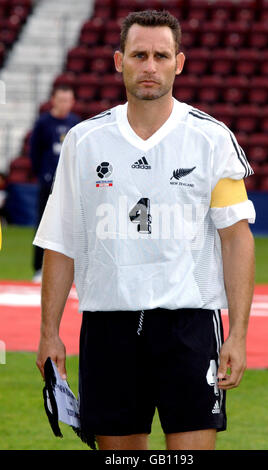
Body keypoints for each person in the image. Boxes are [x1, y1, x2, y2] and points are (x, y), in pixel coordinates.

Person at [34, 10, 256, 451]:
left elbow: (236, 238)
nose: (150, 65)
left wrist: (238, 334)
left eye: (161, 55)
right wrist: (48, 331)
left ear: (180, 62)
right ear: (119, 61)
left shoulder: (211, 139)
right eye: (139, 55)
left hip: (189, 325)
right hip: (107, 326)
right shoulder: (84, 141)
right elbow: (61, 242)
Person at [29, 84, 80, 282]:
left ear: (73, 102)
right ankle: (38, 269)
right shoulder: (43, 123)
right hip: (47, 182)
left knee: (70, 225)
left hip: (68, 183)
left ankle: (71, 269)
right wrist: (42, 174)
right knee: (43, 223)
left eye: (68, 100)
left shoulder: (75, 123)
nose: (64, 104)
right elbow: (34, 151)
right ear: (53, 100)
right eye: (61, 100)